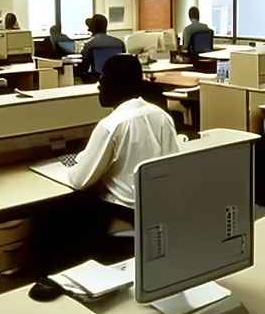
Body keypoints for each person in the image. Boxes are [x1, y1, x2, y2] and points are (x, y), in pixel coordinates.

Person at [65, 54, 180, 223]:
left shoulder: (111, 125)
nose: (99, 84)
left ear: (117, 85)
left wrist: (68, 163)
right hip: (159, 209)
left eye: (103, 77)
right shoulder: (161, 114)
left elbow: (79, 180)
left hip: (123, 212)